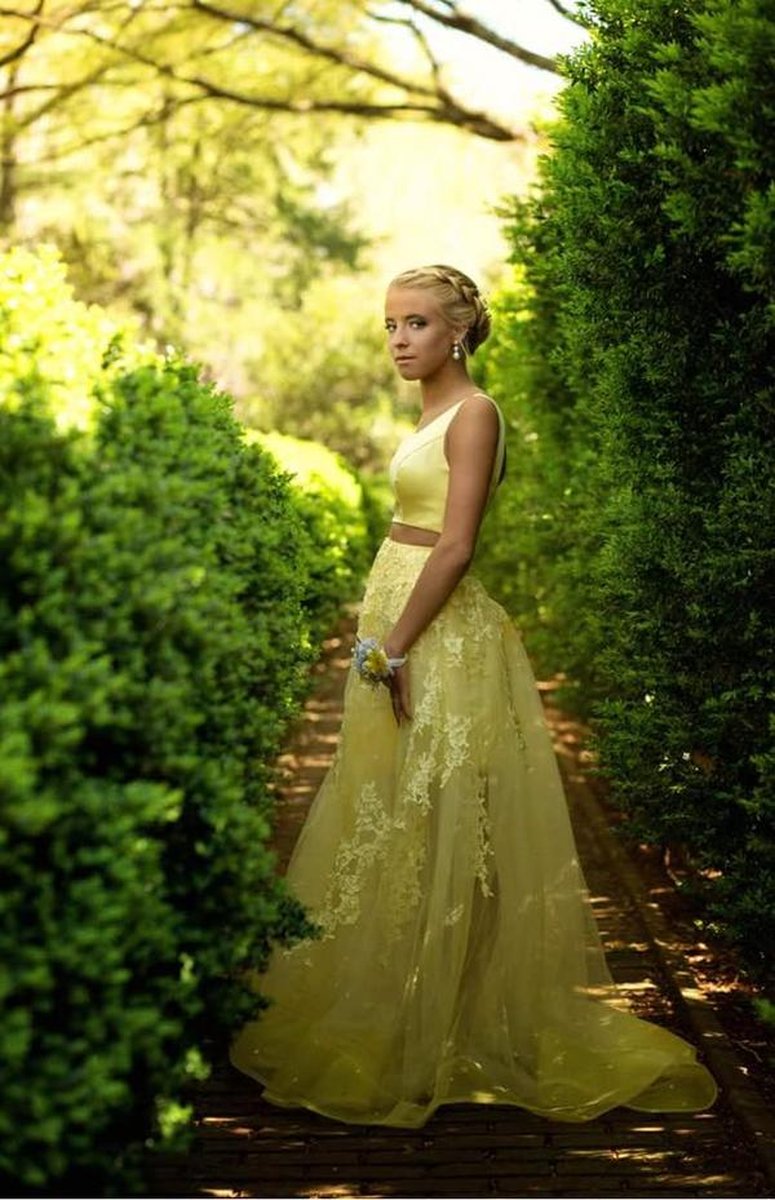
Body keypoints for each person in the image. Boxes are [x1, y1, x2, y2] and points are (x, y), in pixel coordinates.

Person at [229, 264, 718, 1127]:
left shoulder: (476, 413)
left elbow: (453, 547)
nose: (397, 340)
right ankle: (407, 1010)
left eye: (415, 324)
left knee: (437, 819)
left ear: (457, 330)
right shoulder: (428, 411)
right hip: (403, 624)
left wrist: (394, 645)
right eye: (388, 325)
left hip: (435, 637)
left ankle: (440, 1027)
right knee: (388, 815)